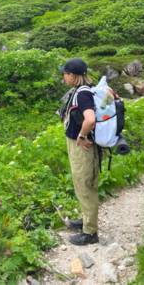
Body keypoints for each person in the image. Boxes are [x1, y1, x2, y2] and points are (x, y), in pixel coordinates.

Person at [58, 58, 99, 245]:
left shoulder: (82, 94)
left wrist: (82, 137)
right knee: (81, 185)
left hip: (83, 147)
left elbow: (89, 119)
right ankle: (86, 221)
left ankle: (90, 233)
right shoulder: (83, 89)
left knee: (85, 186)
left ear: (72, 76)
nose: (63, 77)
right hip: (77, 144)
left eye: (64, 74)